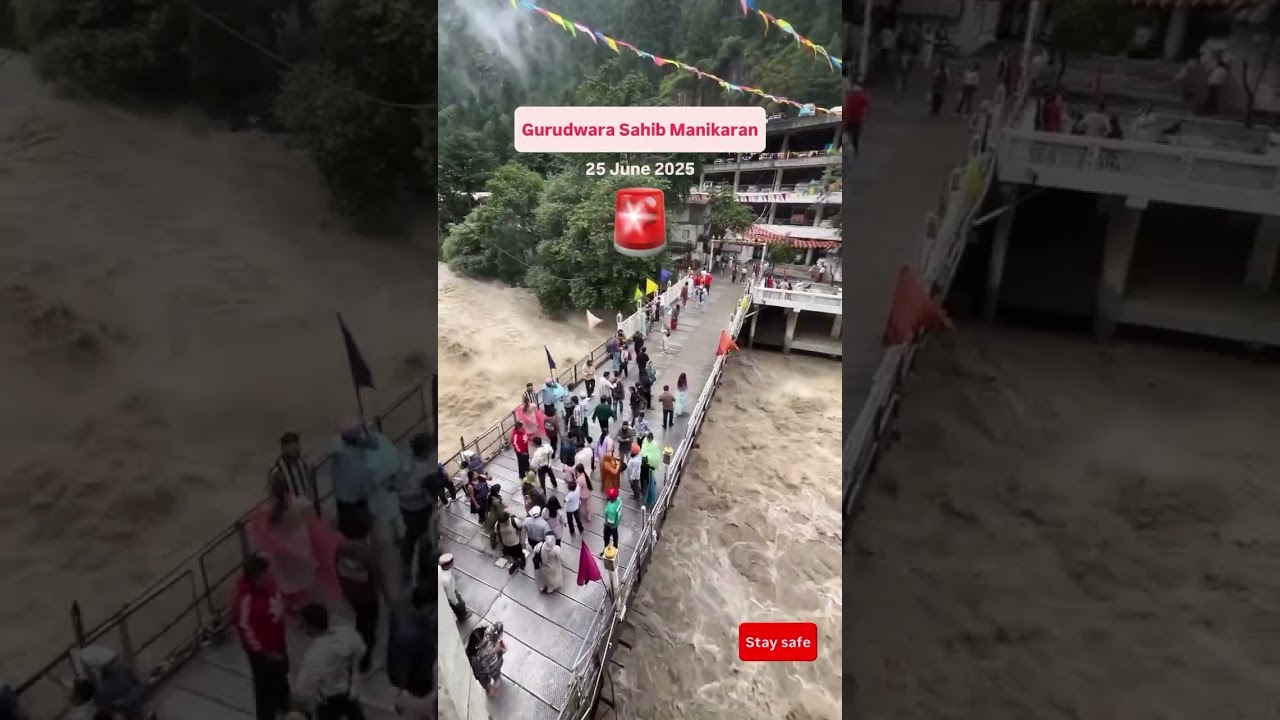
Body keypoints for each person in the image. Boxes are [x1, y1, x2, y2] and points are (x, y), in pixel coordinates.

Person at [248, 475, 337, 610]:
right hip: (298, 542)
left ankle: (290, 599)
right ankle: (302, 598)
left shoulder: (267, 511)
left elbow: (259, 528)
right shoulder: (298, 503)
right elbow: (310, 510)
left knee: (286, 573)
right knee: (301, 569)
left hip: (281, 547)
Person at [231, 554, 290, 720]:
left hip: (278, 641)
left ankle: (285, 707)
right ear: (255, 578)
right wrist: (265, 652)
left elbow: (277, 600)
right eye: (265, 575)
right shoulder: (246, 599)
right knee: (264, 688)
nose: (269, 576)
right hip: (261, 652)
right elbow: (244, 628)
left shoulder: (269, 582)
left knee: (282, 675)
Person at [292, 603, 367, 720]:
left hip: (328, 701)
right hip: (350, 692)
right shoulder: (348, 633)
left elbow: (303, 687)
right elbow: (362, 650)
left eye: (302, 623)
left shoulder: (314, 655)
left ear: (310, 626)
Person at [333, 512, 385, 674]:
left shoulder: (340, 549)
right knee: (369, 627)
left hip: (350, 594)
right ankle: (365, 663)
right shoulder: (367, 553)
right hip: (368, 597)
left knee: (361, 620)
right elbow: (378, 576)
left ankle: (358, 651)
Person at [327, 419, 377, 539]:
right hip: (347, 500)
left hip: (361, 495)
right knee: (350, 531)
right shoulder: (339, 449)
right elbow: (331, 450)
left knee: (363, 528)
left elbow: (374, 444)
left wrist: (365, 430)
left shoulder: (361, 444)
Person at [393, 433, 433, 581]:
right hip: (421, 510)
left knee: (409, 538)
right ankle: (423, 574)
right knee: (425, 541)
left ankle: (406, 569)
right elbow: (428, 496)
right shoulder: (425, 471)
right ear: (425, 451)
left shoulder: (403, 463)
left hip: (405, 508)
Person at [386, 584, 433, 699]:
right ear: (427, 607)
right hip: (414, 680)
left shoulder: (399, 615)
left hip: (400, 674)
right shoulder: (420, 634)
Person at [268, 431, 315, 500]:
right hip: (289, 504)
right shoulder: (277, 469)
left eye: (297, 447)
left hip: (307, 501)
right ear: (283, 449)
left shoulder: (302, 461)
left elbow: (310, 484)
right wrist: (279, 483)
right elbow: (274, 496)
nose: (296, 450)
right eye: (291, 449)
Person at [465, 623, 506, 698]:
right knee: (487, 680)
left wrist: (500, 639)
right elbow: (479, 675)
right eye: (481, 647)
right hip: (486, 670)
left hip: (496, 663)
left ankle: (496, 677)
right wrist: (488, 686)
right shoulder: (476, 659)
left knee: (497, 673)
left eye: (485, 643)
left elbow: (499, 625)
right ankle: (491, 686)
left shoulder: (488, 634)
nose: (485, 649)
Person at [438, 554, 469, 621]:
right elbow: (450, 594)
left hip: (445, 591)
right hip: (450, 592)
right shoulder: (446, 580)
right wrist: (456, 602)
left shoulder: (439, 569)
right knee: (461, 605)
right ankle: (463, 617)